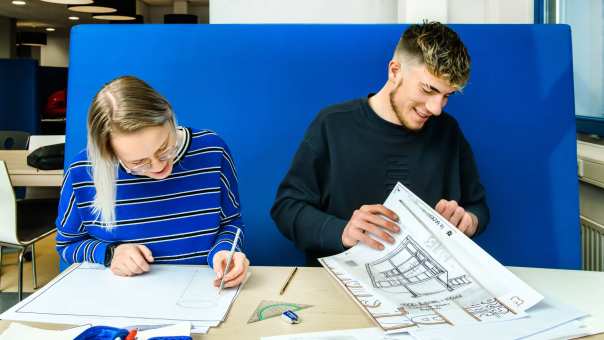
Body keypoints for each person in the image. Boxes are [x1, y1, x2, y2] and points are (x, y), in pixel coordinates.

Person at [271, 22, 490, 265]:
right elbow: (286, 208)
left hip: (425, 285)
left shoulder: (448, 131)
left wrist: (469, 221)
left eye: (446, 96)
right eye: (428, 89)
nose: (436, 108)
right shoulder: (332, 125)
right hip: (341, 280)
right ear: (395, 71)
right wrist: (342, 232)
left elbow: (477, 206)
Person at [56, 76, 248, 288]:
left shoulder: (212, 151)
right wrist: (110, 253)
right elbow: (67, 245)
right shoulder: (82, 172)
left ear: (170, 117)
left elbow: (231, 223)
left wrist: (226, 250)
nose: (158, 167)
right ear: (108, 153)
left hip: (202, 292)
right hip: (121, 300)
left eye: (165, 147)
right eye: (139, 162)